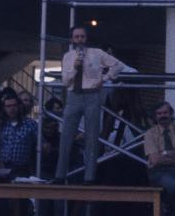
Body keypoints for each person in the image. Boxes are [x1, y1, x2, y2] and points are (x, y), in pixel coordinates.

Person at [54, 26, 132, 184]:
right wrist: (75, 68)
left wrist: (104, 78)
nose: (80, 39)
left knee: (92, 137)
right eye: (76, 37)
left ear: (86, 38)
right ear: (72, 39)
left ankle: (89, 177)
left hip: (92, 95)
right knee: (66, 136)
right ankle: (60, 175)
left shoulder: (97, 53)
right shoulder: (68, 56)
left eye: (82, 36)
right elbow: (65, 80)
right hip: (74, 95)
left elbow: (118, 65)